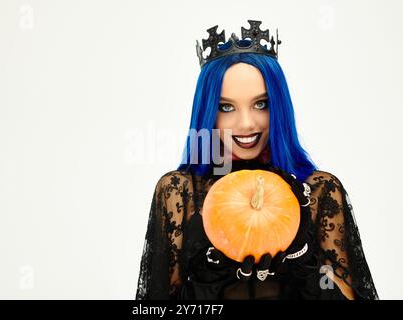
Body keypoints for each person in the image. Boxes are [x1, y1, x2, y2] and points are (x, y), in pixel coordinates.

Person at [135, 20, 378, 300]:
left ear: (279, 106)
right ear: (208, 112)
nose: (247, 123)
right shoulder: (179, 193)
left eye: (261, 104)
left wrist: (305, 266)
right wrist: (204, 282)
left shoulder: (318, 192)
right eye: (226, 107)